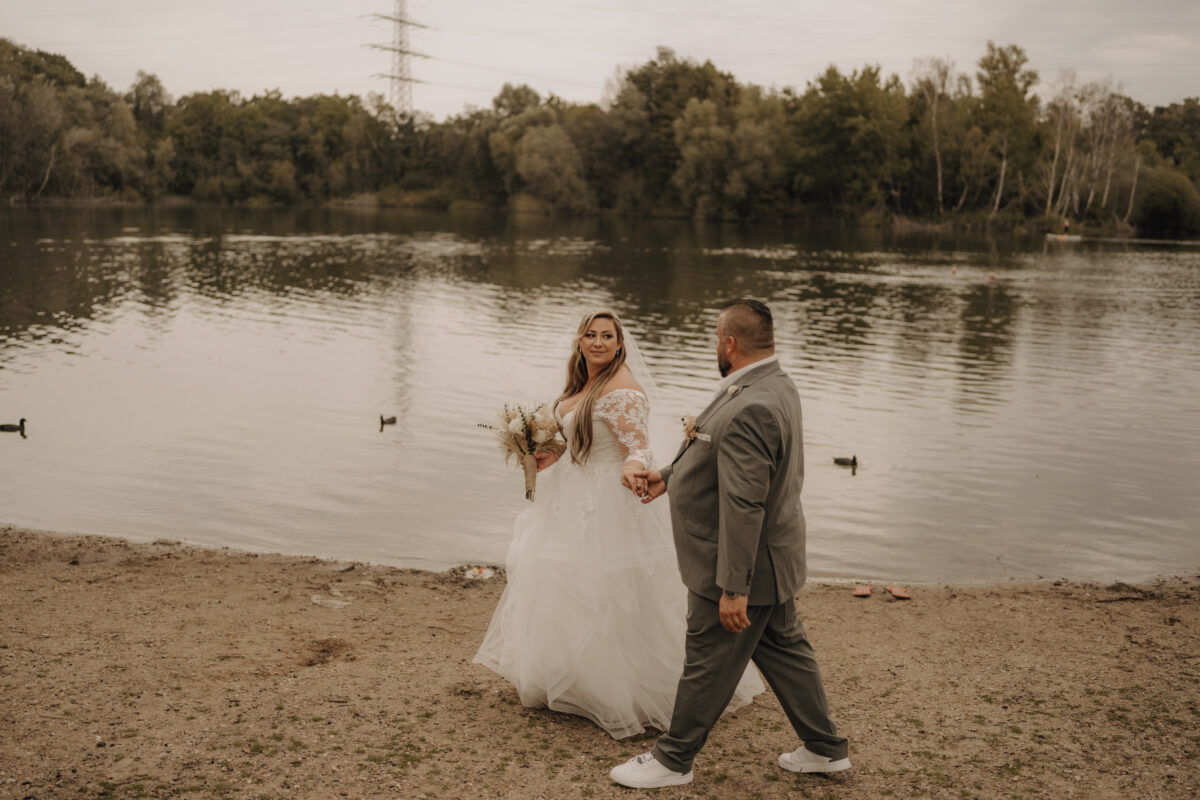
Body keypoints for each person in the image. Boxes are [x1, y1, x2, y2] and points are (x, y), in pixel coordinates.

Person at [472, 309, 763, 739]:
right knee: (562, 583)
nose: (598, 342)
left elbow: (638, 448)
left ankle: (621, 692)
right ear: (579, 341)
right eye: (590, 334)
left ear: (620, 343)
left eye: (607, 336)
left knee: (608, 595)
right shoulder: (583, 384)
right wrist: (545, 455)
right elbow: (577, 443)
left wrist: (632, 468)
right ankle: (576, 678)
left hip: (605, 506)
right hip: (568, 500)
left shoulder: (623, 389)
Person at [610, 299, 850, 789]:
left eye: (716, 339)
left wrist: (733, 587)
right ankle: (825, 750)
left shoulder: (752, 405)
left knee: (706, 659)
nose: (715, 347)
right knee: (785, 648)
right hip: (774, 559)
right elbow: (715, 454)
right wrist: (669, 476)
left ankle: (673, 760)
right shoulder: (773, 383)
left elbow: (744, 504)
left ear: (729, 344)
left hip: (738, 564)